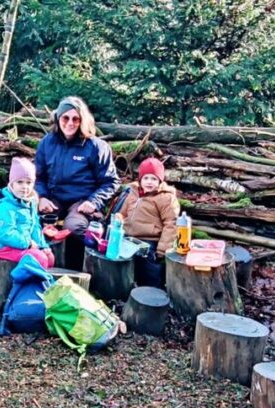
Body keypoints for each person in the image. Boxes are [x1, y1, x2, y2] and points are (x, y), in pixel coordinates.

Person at [34, 96, 120, 267]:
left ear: (83, 120)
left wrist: (93, 201)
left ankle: (84, 270)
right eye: (66, 118)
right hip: (54, 199)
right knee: (34, 222)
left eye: (76, 119)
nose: (70, 123)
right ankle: (41, 266)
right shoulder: (47, 143)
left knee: (74, 227)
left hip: (82, 202)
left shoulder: (96, 147)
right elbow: (37, 176)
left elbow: (111, 181)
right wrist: (42, 197)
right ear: (58, 119)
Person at [119, 157, 179, 287]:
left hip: (149, 241)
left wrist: (162, 250)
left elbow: (171, 224)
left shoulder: (165, 198)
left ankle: (152, 294)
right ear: (140, 179)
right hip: (128, 237)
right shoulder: (133, 193)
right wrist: (119, 220)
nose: (149, 182)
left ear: (160, 180)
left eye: (154, 179)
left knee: (149, 271)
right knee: (122, 265)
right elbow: (123, 213)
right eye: (146, 178)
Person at [0, 157, 54, 269]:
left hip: (24, 244)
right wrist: (28, 243)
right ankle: (24, 284)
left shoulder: (30, 201)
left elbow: (34, 225)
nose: (25, 187)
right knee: (39, 259)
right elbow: (4, 234)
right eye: (20, 182)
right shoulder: (3, 206)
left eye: (29, 183)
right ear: (11, 183)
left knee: (49, 258)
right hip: (4, 247)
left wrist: (42, 245)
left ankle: (43, 282)